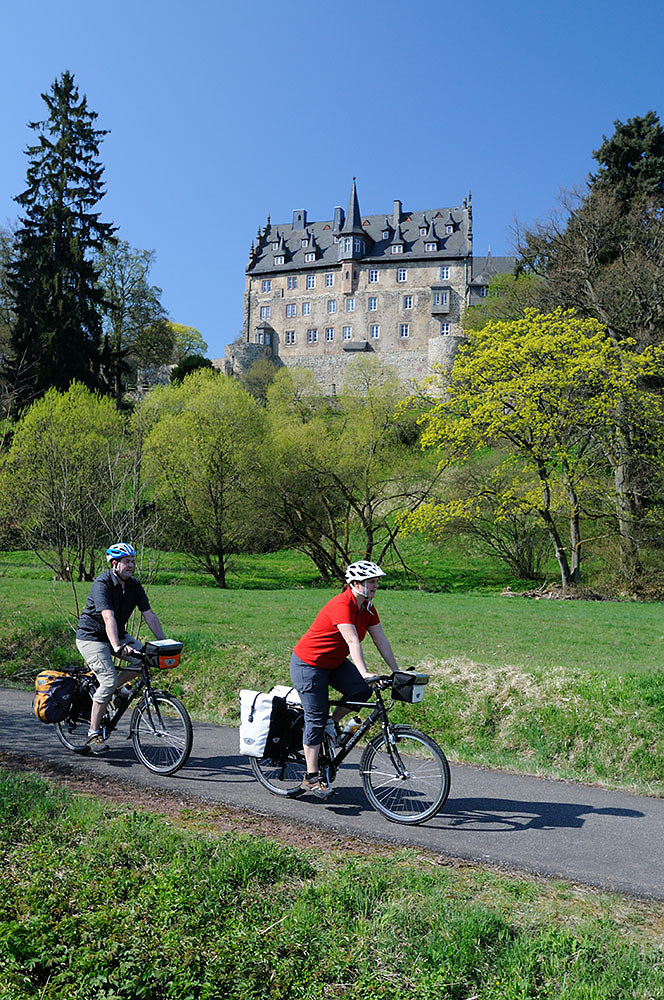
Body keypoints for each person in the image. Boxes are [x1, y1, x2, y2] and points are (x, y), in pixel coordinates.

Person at [290, 560, 399, 798]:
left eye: (377, 581)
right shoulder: (342, 605)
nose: (376, 586)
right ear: (355, 583)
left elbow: (381, 640)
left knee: (361, 691)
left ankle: (333, 721)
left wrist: (396, 670)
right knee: (315, 719)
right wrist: (364, 672)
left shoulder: (368, 608)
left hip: (334, 663)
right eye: (371, 582)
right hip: (309, 664)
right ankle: (311, 776)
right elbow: (352, 642)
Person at [75, 543, 165, 753]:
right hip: (92, 637)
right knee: (107, 679)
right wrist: (116, 645)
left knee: (144, 660)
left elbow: (149, 615)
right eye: (127, 561)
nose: (131, 565)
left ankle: (115, 691)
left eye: (133, 561)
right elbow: (108, 617)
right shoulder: (102, 583)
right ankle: (93, 733)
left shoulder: (134, 585)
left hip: (117, 635)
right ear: (115, 564)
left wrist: (162, 642)